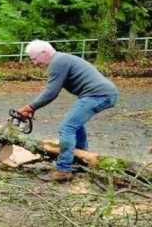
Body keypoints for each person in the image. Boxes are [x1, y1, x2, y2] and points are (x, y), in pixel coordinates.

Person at [17, 40, 119, 182]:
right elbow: (51, 91)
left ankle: (63, 170)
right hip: (99, 94)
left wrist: (30, 107)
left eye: (34, 59)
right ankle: (81, 160)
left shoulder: (58, 62)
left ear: (44, 53)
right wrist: (32, 107)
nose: (34, 63)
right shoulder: (61, 59)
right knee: (75, 125)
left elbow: (51, 92)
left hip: (98, 95)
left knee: (67, 127)